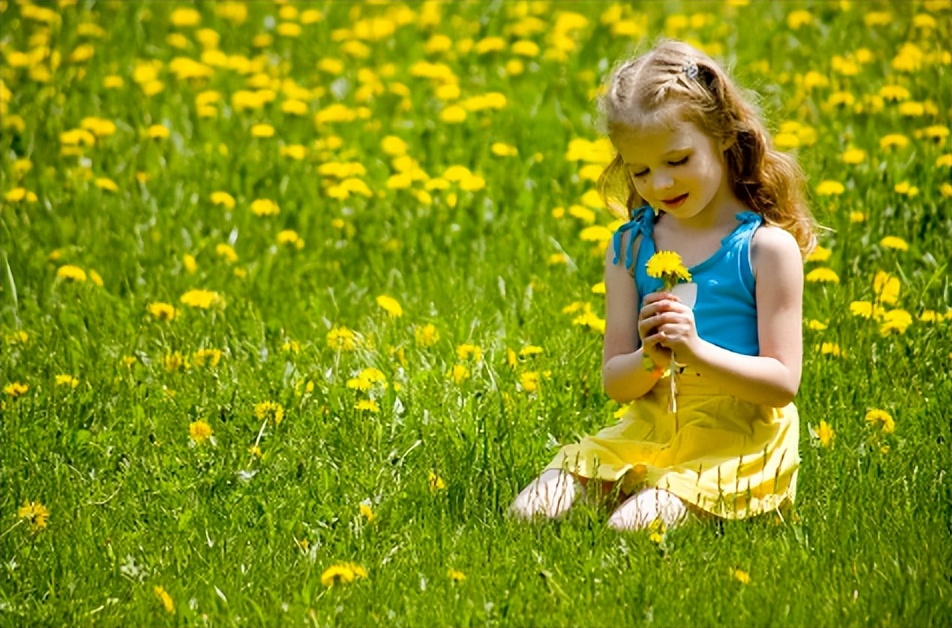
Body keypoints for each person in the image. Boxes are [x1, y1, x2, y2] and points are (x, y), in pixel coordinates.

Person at [510, 40, 816, 531]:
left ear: (721, 135)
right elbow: (616, 381)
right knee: (528, 513)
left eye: (677, 160)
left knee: (629, 529)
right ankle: (646, 482)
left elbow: (781, 386)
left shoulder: (765, 249)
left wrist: (694, 350)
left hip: (736, 436)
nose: (660, 185)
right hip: (650, 425)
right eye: (641, 170)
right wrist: (650, 360)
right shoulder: (631, 247)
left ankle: (684, 498)